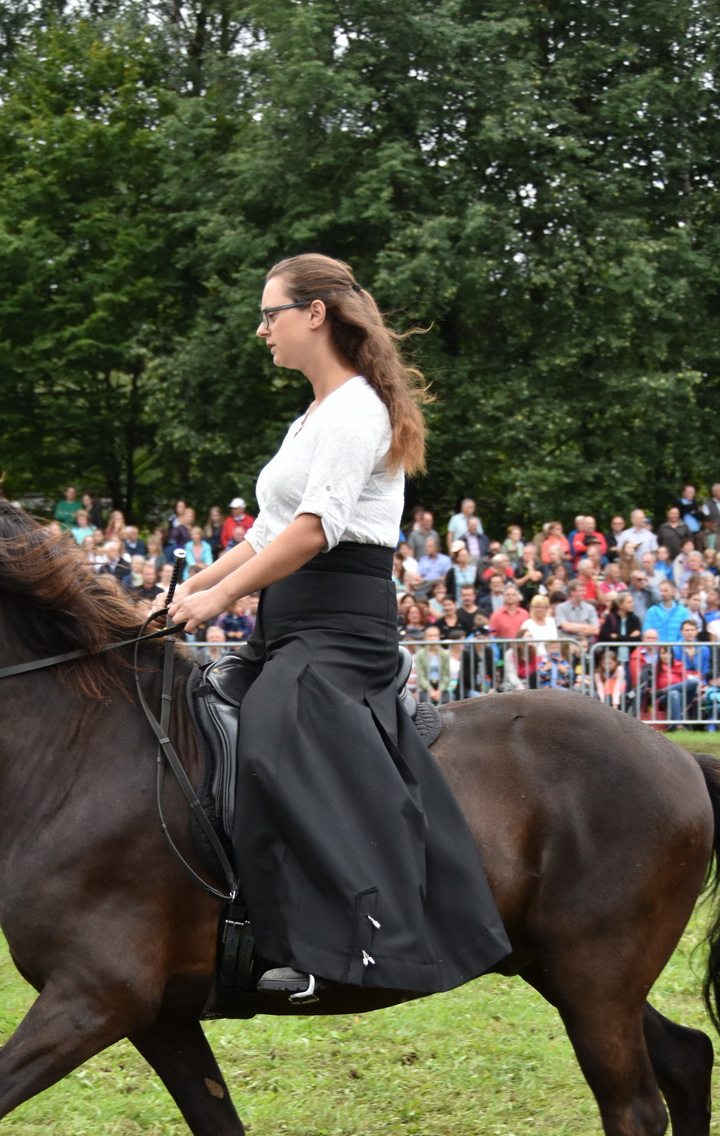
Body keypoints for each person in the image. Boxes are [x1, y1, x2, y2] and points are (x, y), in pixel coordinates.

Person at [168, 250, 510, 997]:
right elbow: (263, 534)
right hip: (288, 620)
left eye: (270, 314)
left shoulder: (357, 410)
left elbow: (313, 531)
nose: (262, 329)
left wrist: (218, 602)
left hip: (342, 625)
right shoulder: (310, 418)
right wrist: (179, 596)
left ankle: (347, 941)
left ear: (314, 314)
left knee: (274, 730)